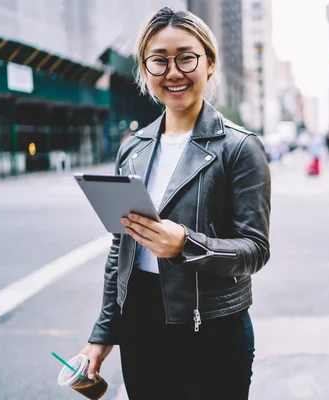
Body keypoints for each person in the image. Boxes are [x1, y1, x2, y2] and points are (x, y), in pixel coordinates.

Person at [79, 7, 271, 400]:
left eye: (186, 57)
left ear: (210, 62)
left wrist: (187, 244)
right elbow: (121, 249)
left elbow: (255, 249)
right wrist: (103, 334)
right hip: (140, 328)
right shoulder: (133, 148)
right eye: (159, 60)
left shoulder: (240, 147)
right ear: (145, 69)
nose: (173, 72)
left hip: (213, 329)